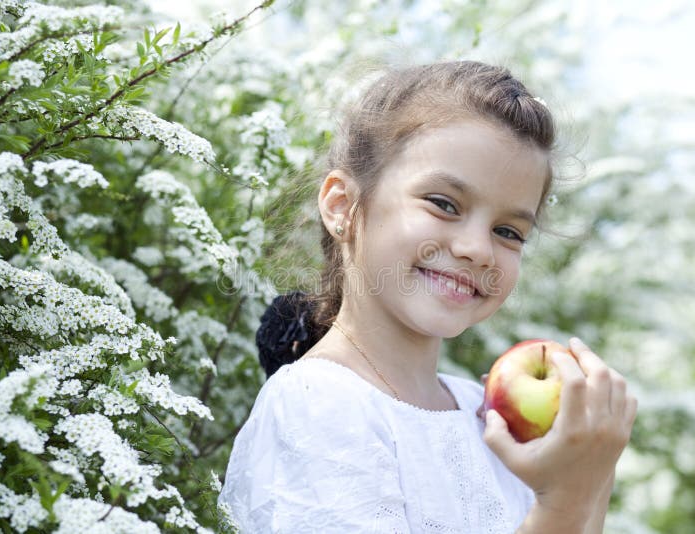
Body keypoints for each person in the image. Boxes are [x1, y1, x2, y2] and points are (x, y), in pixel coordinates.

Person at [219, 60, 637, 533]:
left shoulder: (486, 417)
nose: (477, 249)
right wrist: (566, 502)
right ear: (343, 207)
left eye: (508, 231)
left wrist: (593, 473)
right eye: (444, 204)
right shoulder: (317, 405)